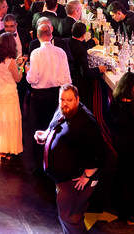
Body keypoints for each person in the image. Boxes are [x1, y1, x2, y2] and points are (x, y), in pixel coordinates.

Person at [35, 85, 103, 234]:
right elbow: (53, 126)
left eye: (69, 100)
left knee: (70, 218)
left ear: (77, 100)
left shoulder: (86, 122)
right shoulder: (63, 110)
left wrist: (87, 175)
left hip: (75, 181)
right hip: (62, 179)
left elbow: (98, 152)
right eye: (62, 99)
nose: (65, 103)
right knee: (67, 217)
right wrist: (45, 136)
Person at [108, 72, 134, 224]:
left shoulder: (116, 101)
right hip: (131, 147)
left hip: (118, 143)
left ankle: (116, 202)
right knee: (130, 179)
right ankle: (130, 212)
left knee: (122, 172)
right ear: (132, 87)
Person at [0, 32, 23, 160]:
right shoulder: (11, 61)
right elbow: (18, 78)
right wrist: (22, 68)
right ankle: (6, 149)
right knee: (9, 120)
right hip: (9, 93)